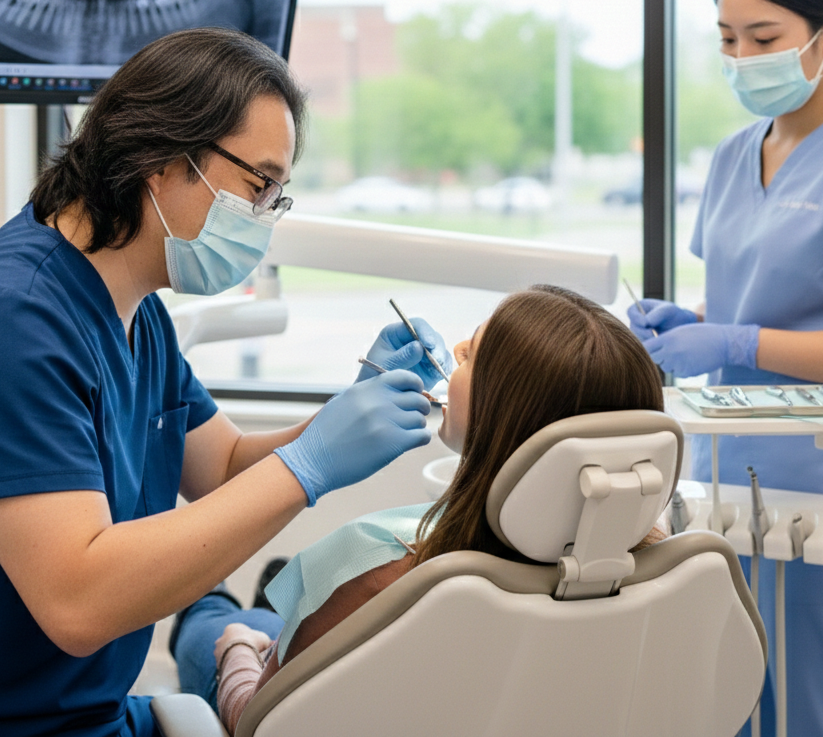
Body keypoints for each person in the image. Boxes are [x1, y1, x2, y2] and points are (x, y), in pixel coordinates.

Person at [0, 27, 452, 736]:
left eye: (279, 194)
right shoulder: (1, 324)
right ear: (160, 160)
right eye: (258, 185)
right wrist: (311, 465)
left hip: (91, 716)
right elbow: (78, 602)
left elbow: (224, 466)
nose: (266, 215)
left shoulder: (134, 311)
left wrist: (349, 406)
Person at [170, 284, 666, 734]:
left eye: (474, 353)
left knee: (219, 619)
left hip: (273, 669)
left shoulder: (383, 578)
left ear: (505, 415)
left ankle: (212, 600)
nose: (455, 351)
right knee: (273, 622)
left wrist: (235, 649)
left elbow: (258, 721)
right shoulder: (650, 569)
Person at [628, 0, 823, 737]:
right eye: (728, 39)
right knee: (726, 716)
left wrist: (737, 344)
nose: (743, 57)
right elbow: (751, 300)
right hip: (721, 490)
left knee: (814, 721)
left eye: (764, 38)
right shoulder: (733, 155)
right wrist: (693, 325)